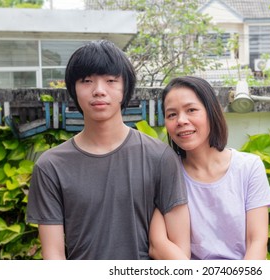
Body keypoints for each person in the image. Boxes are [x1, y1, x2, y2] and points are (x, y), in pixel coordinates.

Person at [26, 40, 190, 260]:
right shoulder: (51, 166)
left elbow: (180, 252)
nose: (99, 91)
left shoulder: (159, 157)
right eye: (87, 81)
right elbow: (53, 255)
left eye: (111, 81)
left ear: (125, 89)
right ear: (73, 89)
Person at [149, 76, 270, 260]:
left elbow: (257, 241)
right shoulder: (166, 172)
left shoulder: (249, 167)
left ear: (211, 112)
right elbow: (158, 245)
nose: (181, 120)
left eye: (191, 110)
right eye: (171, 114)